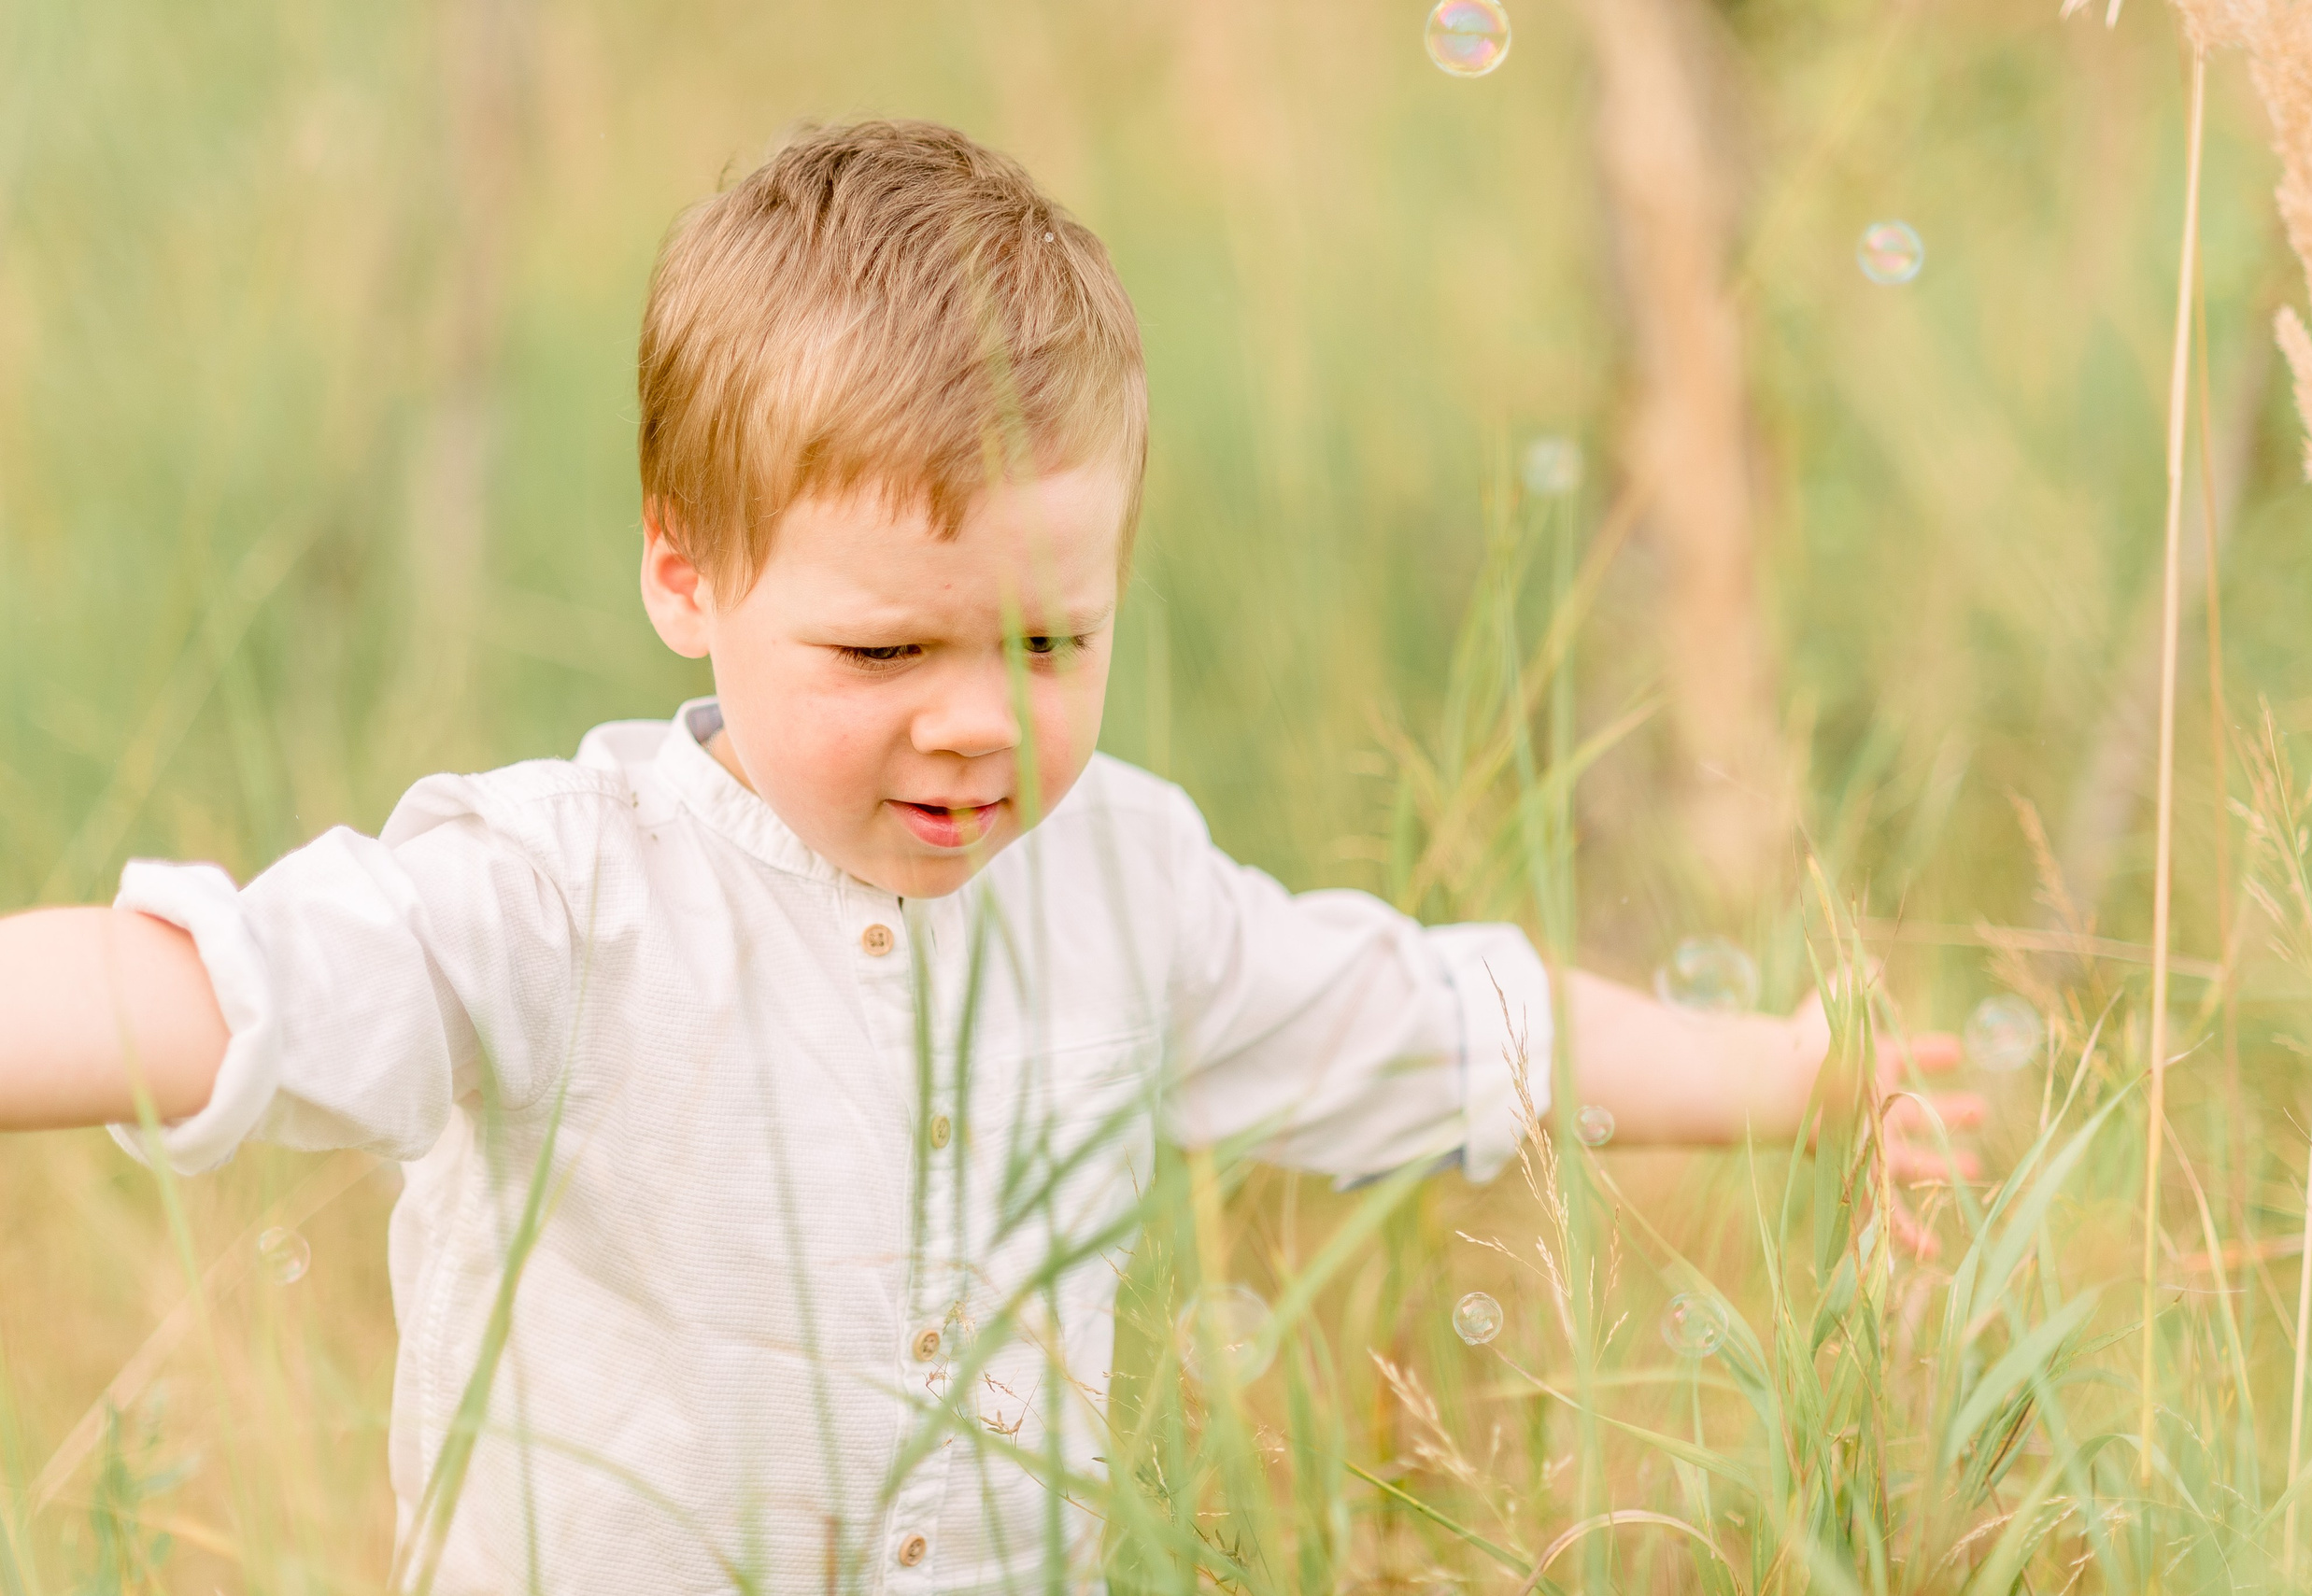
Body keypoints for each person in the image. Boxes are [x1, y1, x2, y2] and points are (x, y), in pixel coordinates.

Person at [0, 120, 1980, 1593]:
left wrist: (1800, 1073)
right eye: (884, 650)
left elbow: (1443, 1026)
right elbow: (208, 989)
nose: (979, 719)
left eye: (1052, 641)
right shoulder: (555, 893)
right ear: (682, 572)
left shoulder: (1122, 887)